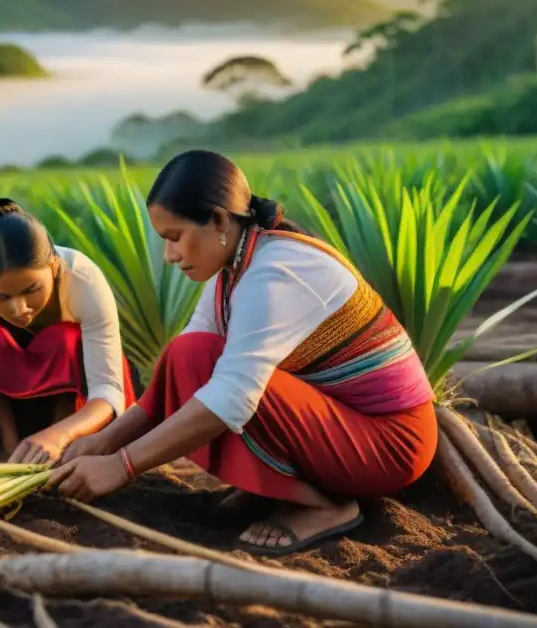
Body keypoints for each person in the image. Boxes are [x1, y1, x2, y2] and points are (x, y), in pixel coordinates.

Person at [46, 150, 437, 556]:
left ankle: (324, 506)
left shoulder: (275, 271)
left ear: (218, 220)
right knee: (188, 353)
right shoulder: (236, 267)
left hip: (390, 443)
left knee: (228, 384)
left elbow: (230, 400)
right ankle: (279, 491)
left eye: (175, 237)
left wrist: (121, 466)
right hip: (342, 425)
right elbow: (177, 373)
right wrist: (102, 442)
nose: (170, 255)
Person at [0, 198, 137, 467]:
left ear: (54, 265)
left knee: (64, 338)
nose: (19, 308)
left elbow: (107, 391)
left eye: (31, 289)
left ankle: (60, 447)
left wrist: (60, 434)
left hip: (77, 421)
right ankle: (7, 443)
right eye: (1, 297)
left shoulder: (83, 279)